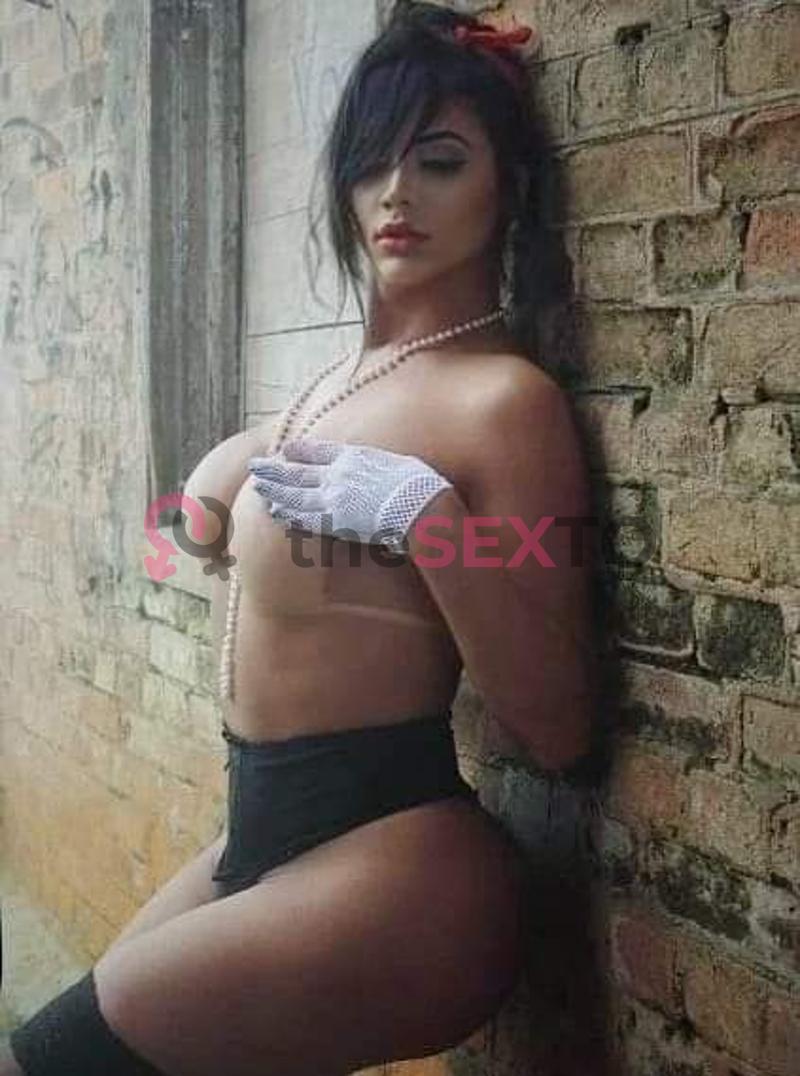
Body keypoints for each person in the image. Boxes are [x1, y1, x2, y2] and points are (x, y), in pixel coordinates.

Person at [4, 3, 596, 1074]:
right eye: (370, 162)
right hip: (259, 829)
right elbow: (175, 557)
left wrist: (427, 521)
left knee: (53, 1057)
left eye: (440, 162)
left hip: (399, 859)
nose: (396, 192)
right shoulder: (321, 391)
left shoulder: (501, 402)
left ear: (506, 185)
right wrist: (191, 516)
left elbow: (557, 726)